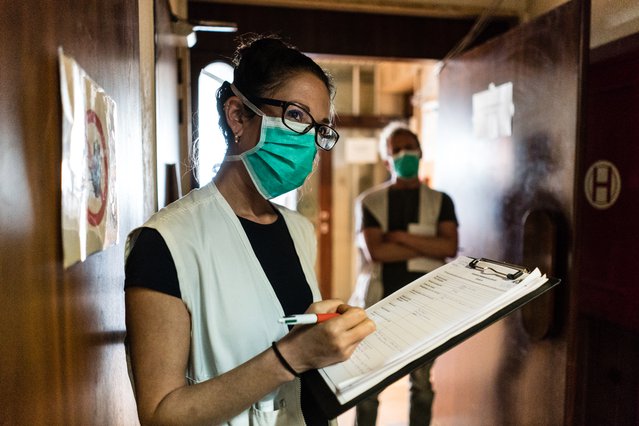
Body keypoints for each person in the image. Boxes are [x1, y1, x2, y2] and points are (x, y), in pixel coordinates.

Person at [124, 34, 376, 426]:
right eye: (296, 116)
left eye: (320, 128)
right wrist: (292, 355)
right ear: (238, 115)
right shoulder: (165, 242)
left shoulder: (298, 230)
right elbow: (160, 414)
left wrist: (324, 329)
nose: (309, 140)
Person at [351, 122, 458, 425]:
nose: (404, 154)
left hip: (428, 304)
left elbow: (449, 245)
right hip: (380, 302)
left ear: (421, 150)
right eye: (396, 150)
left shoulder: (441, 201)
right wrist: (428, 246)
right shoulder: (370, 202)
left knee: (422, 384)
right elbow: (378, 253)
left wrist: (398, 237)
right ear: (387, 159)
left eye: (409, 146)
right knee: (369, 385)